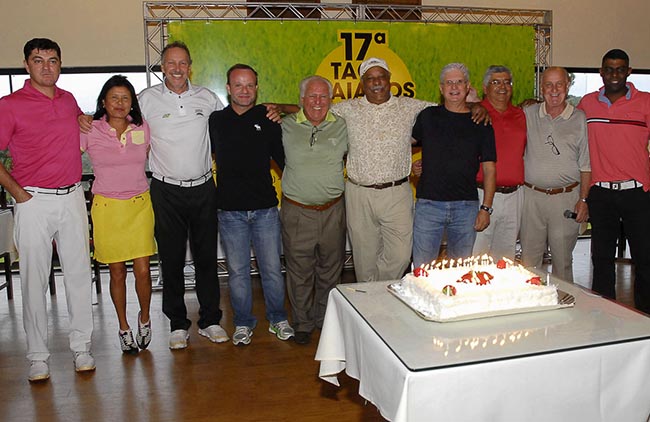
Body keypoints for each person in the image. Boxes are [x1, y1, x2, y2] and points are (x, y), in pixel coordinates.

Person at [0, 38, 95, 381]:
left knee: (79, 276)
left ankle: (82, 347)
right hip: (32, 202)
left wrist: (83, 118)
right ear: (26, 65)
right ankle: (38, 356)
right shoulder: (9, 104)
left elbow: (76, 126)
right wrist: (18, 194)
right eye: (38, 61)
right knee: (34, 280)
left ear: (60, 64)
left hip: (71, 197)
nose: (46, 67)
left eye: (52, 60)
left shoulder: (68, 99)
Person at [138, 41, 228, 349]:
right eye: (171, 63)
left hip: (203, 189)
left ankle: (211, 320)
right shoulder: (146, 100)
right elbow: (118, 122)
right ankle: (177, 324)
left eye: (183, 63)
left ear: (190, 66)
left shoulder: (207, 98)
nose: (177, 68)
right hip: (165, 191)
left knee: (206, 260)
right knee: (171, 260)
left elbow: (230, 127)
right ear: (162, 67)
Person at [209, 64, 294, 346]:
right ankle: (243, 323)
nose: (244, 91)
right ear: (229, 88)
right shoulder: (215, 121)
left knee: (271, 270)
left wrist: (280, 107)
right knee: (238, 274)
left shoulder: (268, 119)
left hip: (265, 211)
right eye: (239, 85)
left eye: (250, 85)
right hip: (230, 212)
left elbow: (285, 159)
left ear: (256, 89)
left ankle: (278, 319)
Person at [81, 75, 155, 354]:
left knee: (144, 270)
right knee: (116, 272)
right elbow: (68, 153)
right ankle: (124, 327)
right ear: (104, 101)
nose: (120, 103)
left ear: (132, 102)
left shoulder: (142, 127)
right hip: (107, 208)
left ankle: (144, 319)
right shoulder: (90, 128)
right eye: (114, 98)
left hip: (139, 205)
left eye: (126, 98)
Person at [577, 49, 650, 312]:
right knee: (601, 258)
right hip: (601, 194)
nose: (615, 74)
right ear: (601, 72)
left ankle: (645, 318)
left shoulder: (646, 102)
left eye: (620, 69)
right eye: (609, 69)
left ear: (629, 72)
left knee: (644, 258)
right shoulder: (587, 103)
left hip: (637, 192)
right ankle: (605, 315)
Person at [280, 76, 348, 345]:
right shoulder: (284, 126)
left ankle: (325, 321)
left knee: (331, 270)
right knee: (299, 271)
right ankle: (303, 324)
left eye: (323, 97)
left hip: (334, 211)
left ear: (331, 100)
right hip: (297, 211)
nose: (318, 102)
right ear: (301, 100)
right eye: (312, 96)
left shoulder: (343, 125)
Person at [411, 63, 496, 266]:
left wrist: (486, 208)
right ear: (441, 88)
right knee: (422, 270)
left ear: (468, 87)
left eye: (459, 82)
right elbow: (405, 145)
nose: (454, 86)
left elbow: (489, 169)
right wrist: (412, 167)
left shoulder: (481, 122)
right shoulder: (427, 116)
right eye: (449, 82)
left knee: (459, 271)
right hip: (428, 206)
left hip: (465, 208)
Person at [520, 66, 591, 282]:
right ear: (541, 88)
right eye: (548, 85)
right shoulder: (528, 114)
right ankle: (531, 309)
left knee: (562, 262)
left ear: (567, 86)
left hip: (566, 200)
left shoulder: (579, 118)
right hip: (531, 198)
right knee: (529, 263)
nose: (554, 90)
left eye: (559, 84)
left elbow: (586, 166)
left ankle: (565, 307)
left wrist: (583, 200)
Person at [472, 65, 527, 260]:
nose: (502, 86)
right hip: (481, 195)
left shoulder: (522, 114)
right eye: (495, 82)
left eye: (506, 82)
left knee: (505, 259)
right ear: (485, 88)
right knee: (476, 258)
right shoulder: (475, 114)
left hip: (514, 197)